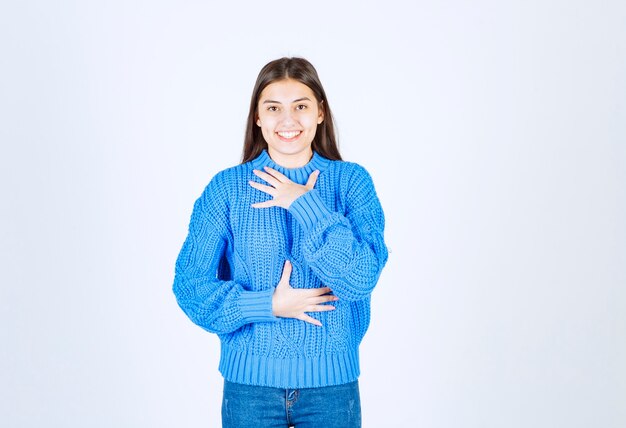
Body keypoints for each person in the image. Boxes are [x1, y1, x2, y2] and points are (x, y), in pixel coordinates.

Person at [172, 57, 388, 428]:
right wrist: (267, 304)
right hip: (250, 389)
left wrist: (303, 203)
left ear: (320, 112)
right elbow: (190, 288)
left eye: (300, 106)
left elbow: (361, 278)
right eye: (273, 108)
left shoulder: (352, 183)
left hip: (331, 388)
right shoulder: (226, 189)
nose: (287, 120)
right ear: (257, 117)